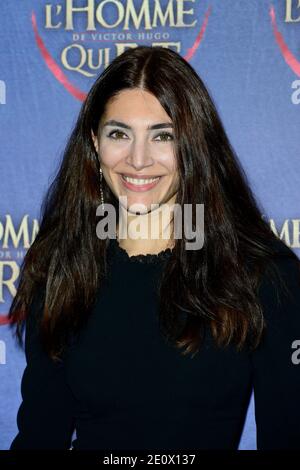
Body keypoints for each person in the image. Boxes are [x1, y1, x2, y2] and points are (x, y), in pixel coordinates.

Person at [8, 45, 300, 450]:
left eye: (163, 135)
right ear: (95, 143)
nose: (138, 159)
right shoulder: (63, 270)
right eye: (119, 134)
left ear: (194, 147)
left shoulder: (261, 274)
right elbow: (40, 437)